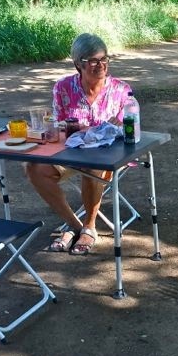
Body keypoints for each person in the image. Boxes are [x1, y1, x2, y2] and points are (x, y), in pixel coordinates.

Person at [25, 33, 134, 255]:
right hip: (71, 152)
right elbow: (58, 125)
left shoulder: (121, 90)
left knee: (92, 166)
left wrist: (87, 128)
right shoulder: (63, 88)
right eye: (92, 61)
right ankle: (76, 226)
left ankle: (90, 226)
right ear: (78, 64)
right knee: (34, 168)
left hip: (108, 156)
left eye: (104, 59)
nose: (100, 65)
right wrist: (89, 128)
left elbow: (127, 129)